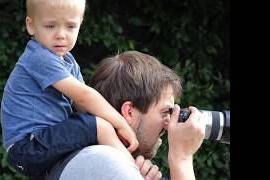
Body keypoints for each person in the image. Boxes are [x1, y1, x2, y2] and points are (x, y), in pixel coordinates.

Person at [0, 0, 138, 178]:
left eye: (70, 26)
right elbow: (84, 97)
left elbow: (83, 106)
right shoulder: (39, 57)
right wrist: (121, 124)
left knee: (94, 127)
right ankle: (134, 173)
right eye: (50, 26)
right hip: (27, 147)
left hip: (41, 143)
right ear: (31, 25)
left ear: (80, 24)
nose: (61, 35)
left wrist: (112, 128)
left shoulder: (68, 61)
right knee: (100, 127)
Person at [45, 51, 205, 180]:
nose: (169, 123)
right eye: (165, 112)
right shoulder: (106, 161)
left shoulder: (89, 158)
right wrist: (182, 159)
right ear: (129, 112)